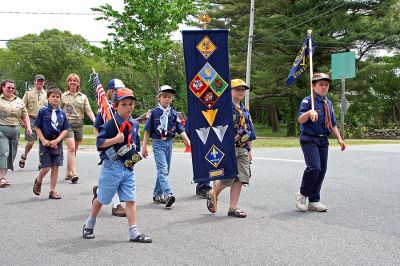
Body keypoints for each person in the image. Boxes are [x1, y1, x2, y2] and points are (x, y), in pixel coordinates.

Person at [82, 88, 151, 243]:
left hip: (127, 167)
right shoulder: (110, 124)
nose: (128, 107)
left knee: (130, 200)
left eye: (131, 104)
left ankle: (134, 232)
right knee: (102, 199)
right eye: (124, 104)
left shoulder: (133, 124)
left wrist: (133, 161)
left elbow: (135, 145)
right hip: (111, 167)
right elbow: (100, 143)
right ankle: (89, 224)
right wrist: (115, 139)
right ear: (115, 106)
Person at [295, 73, 346, 212]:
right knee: (314, 167)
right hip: (309, 138)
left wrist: (339, 139)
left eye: (326, 85)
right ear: (313, 86)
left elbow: (333, 124)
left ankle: (314, 200)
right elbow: (300, 119)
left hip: (323, 139)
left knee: (322, 170)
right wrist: (309, 112)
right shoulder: (307, 101)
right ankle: (302, 194)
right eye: (320, 84)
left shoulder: (328, 103)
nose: (324, 87)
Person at [206, 79, 256, 218]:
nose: (241, 92)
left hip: (243, 148)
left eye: (243, 90)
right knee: (229, 177)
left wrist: (250, 150)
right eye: (237, 89)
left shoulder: (244, 110)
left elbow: (250, 131)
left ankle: (233, 208)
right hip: (229, 148)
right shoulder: (224, 108)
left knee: (240, 177)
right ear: (230, 91)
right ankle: (213, 193)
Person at [141, 85, 191, 208]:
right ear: (159, 98)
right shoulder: (153, 113)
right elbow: (147, 130)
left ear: (172, 99)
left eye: (169, 97)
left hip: (169, 143)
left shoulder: (174, 114)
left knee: (165, 170)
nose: (167, 99)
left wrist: (188, 141)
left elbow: (180, 129)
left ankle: (157, 194)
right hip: (158, 143)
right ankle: (168, 194)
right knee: (162, 169)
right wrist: (144, 146)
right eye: (164, 97)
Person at [92, 78, 127, 217]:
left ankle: (99, 190)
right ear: (110, 92)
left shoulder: (123, 107)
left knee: (114, 175)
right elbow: (96, 128)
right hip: (109, 148)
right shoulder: (105, 110)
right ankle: (116, 205)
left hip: (122, 147)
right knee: (115, 174)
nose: (119, 92)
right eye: (117, 90)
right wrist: (102, 143)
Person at [32, 87, 70, 199]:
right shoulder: (43, 111)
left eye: (57, 97)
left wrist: (57, 140)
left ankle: (52, 191)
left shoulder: (62, 113)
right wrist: (43, 140)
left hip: (57, 143)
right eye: (53, 96)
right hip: (45, 143)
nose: (55, 99)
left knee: (55, 167)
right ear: (48, 98)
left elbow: (65, 129)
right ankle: (38, 181)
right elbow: (37, 127)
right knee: (46, 167)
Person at [61, 73, 96, 183]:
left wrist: (95, 122)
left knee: (73, 150)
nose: (72, 82)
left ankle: (68, 172)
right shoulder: (63, 96)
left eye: (74, 80)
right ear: (68, 83)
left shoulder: (83, 97)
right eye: (70, 80)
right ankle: (73, 173)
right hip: (67, 124)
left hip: (79, 124)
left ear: (78, 83)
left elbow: (88, 110)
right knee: (71, 149)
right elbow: (58, 111)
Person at [0, 80, 32, 188]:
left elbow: (25, 115)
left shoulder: (19, 101)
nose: (10, 90)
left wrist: (28, 127)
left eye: (12, 88)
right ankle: (2, 178)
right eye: (8, 87)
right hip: (2, 130)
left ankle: (3, 175)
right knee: (4, 152)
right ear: (3, 88)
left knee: (11, 154)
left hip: (15, 131)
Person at [19, 74, 47, 170]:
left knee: (43, 142)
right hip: (31, 119)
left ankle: (41, 162)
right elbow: (21, 107)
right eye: (38, 81)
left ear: (44, 83)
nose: (40, 83)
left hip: (43, 121)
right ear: (34, 82)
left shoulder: (46, 94)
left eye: (41, 81)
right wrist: (21, 120)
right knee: (30, 142)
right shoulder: (28, 93)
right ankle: (24, 155)